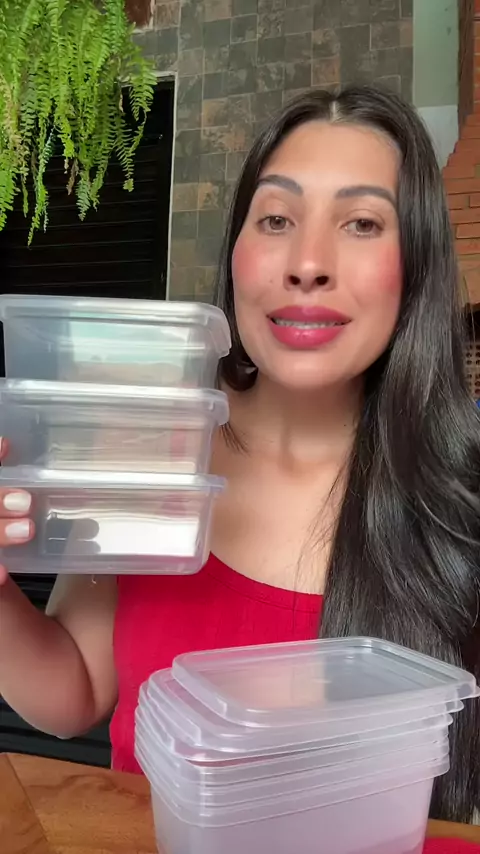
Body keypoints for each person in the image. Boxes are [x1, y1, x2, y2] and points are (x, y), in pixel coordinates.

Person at [0, 85, 478, 826]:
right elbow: (75, 692)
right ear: (237, 252)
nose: (308, 263)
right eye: (277, 219)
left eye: (361, 223)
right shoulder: (152, 433)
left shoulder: (460, 493)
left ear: (414, 265)